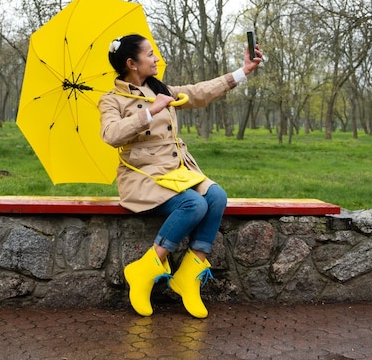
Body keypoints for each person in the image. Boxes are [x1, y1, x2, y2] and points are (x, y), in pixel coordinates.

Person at [98, 34, 262, 318]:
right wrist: (150, 112)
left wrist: (242, 72)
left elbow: (200, 92)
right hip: (144, 178)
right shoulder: (111, 100)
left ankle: (188, 274)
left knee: (216, 196)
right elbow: (110, 135)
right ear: (131, 63)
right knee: (194, 204)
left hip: (177, 173)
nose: (157, 58)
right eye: (150, 54)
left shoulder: (161, 89)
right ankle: (144, 270)